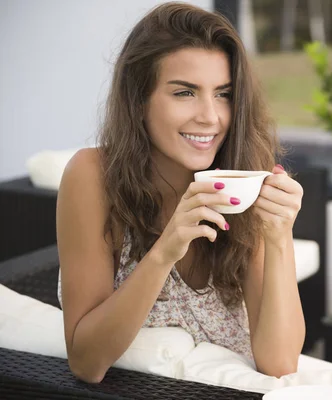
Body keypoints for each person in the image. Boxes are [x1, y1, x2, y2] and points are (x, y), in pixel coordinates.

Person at [56, 1, 305, 383]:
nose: (210, 116)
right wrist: (164, 253)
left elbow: (281, 363)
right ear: (139, 100)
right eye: (185, 93)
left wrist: (279, 235)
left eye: (223, 94)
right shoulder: (93, 176)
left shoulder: (242, 181)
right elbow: (86, 361)